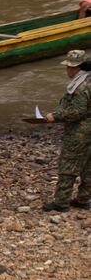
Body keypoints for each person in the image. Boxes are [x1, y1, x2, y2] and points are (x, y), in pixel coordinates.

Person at [42, 50, 91, 212]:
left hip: (79, 133)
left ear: (76, 68)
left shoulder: (80, 87)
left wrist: (55, 116)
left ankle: (61, 202)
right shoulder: (88, 81)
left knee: (68, 165)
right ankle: (83, 199)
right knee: (88, 166)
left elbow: (77, 112)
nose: (67, 70)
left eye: (69, 67)